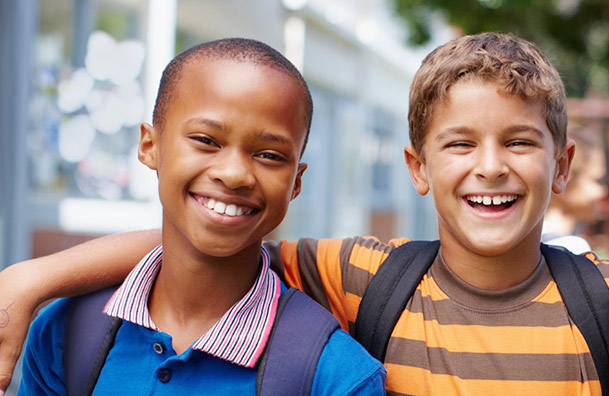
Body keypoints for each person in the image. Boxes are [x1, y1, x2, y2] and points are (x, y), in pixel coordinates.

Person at [0, 33, 609, 395]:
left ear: (561, 165)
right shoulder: (362, 276)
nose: (490, 166)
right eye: (458, 143)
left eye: (518, 142)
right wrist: (30, 281)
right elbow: (205, 243)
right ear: (417, 168)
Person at [14, 38, 385, 395]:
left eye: (270, 155)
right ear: (149, 146)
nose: (235, 173)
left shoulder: (336, 375)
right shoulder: (66, 332)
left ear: (296, 181)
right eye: (206, 140)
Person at [541, 125, 609, 254]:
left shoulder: (528, 242)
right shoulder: (572, 248)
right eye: (596, 180)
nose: (603, 191)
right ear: (563, 177)